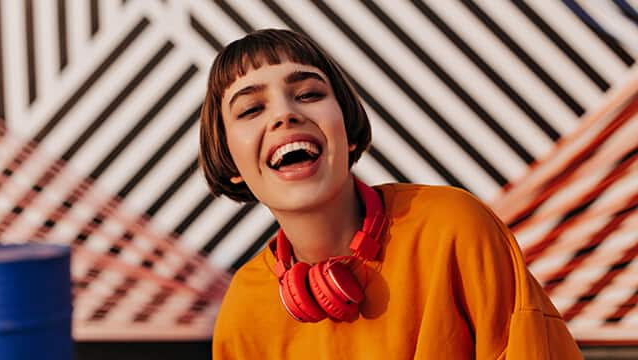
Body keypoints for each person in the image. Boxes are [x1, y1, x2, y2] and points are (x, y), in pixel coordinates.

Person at [199, 29, 582, 359]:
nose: (285, 115)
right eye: (250, 109)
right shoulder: (243, 312)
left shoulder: (454, 227)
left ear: (346, 130)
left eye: (309, 94)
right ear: (231, 164)